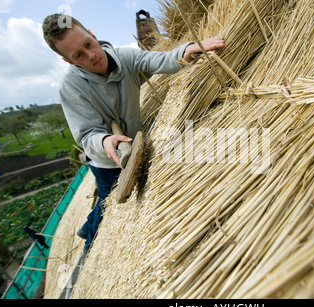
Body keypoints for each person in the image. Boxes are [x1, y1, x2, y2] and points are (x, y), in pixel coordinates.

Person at [42, 14, 225, 252]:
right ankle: (90, 243)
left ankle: (86, 225)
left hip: (133, 142)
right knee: (109, 204)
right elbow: (88, 134)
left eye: (88, 44)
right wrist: (106, 141)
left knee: (108, 200)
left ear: (93, 36)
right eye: (78, 55)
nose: (91, 55)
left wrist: (186, 51)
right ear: (69, 61)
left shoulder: (125, 58)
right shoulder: (71, 87)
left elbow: (161, 60)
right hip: (105, 160)